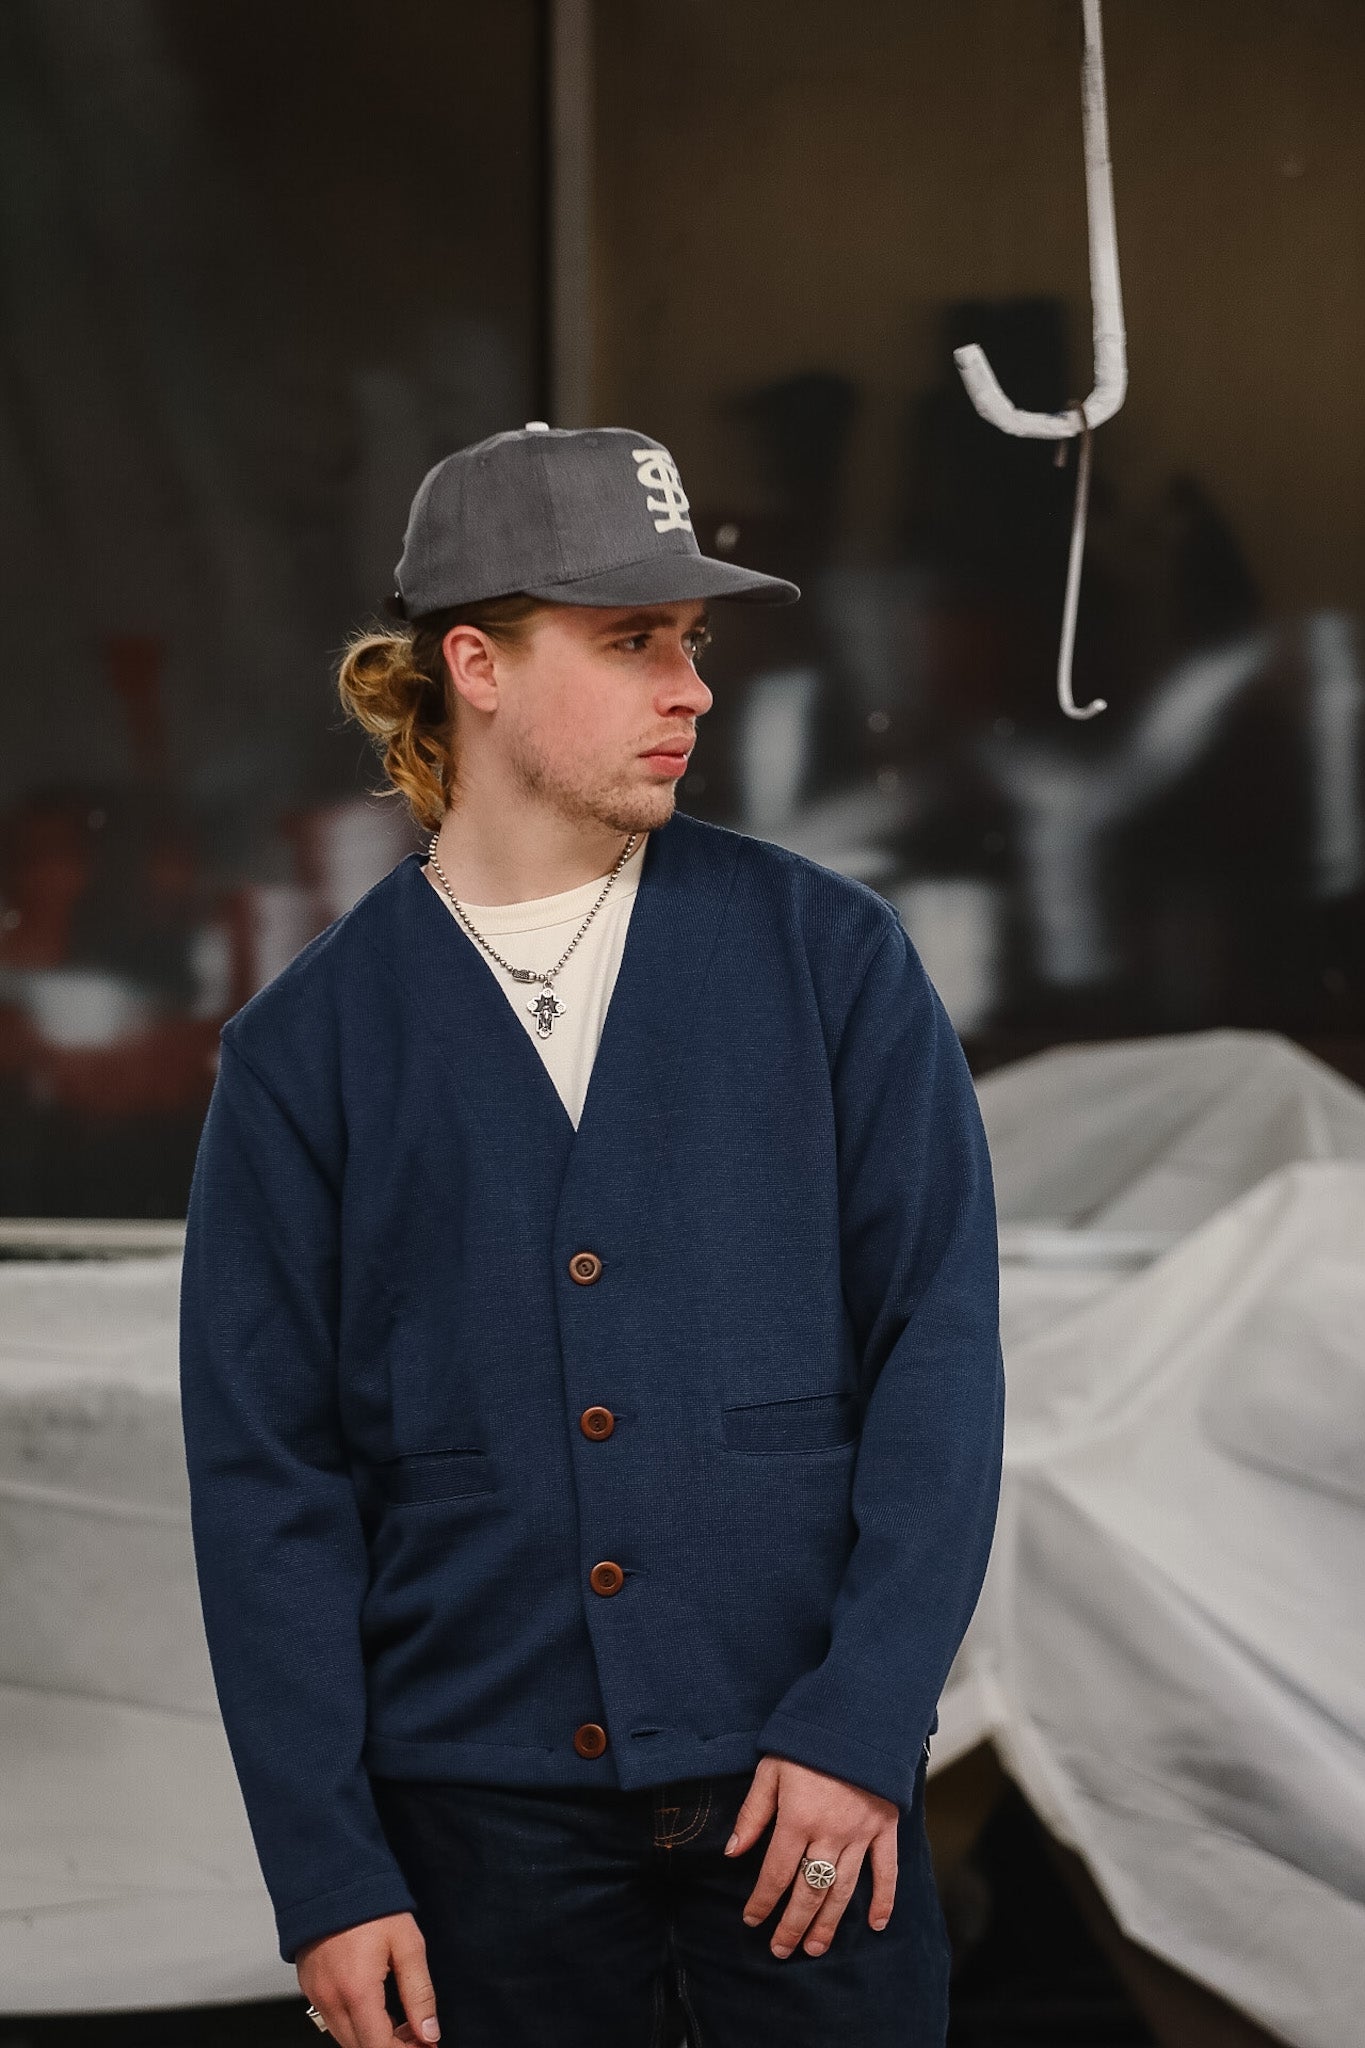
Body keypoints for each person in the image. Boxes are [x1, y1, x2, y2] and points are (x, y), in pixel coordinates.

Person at [178, 422, 1005, 2048]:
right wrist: (327, 1870)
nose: (689, 690)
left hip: (806, 1792)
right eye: (632, 645)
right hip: (473, 1822)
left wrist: (861, 1723)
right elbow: (264, 1478)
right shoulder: (305, 1050)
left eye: (689, 647)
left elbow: (940, 1350)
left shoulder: (828, 960)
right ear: (474, 664)